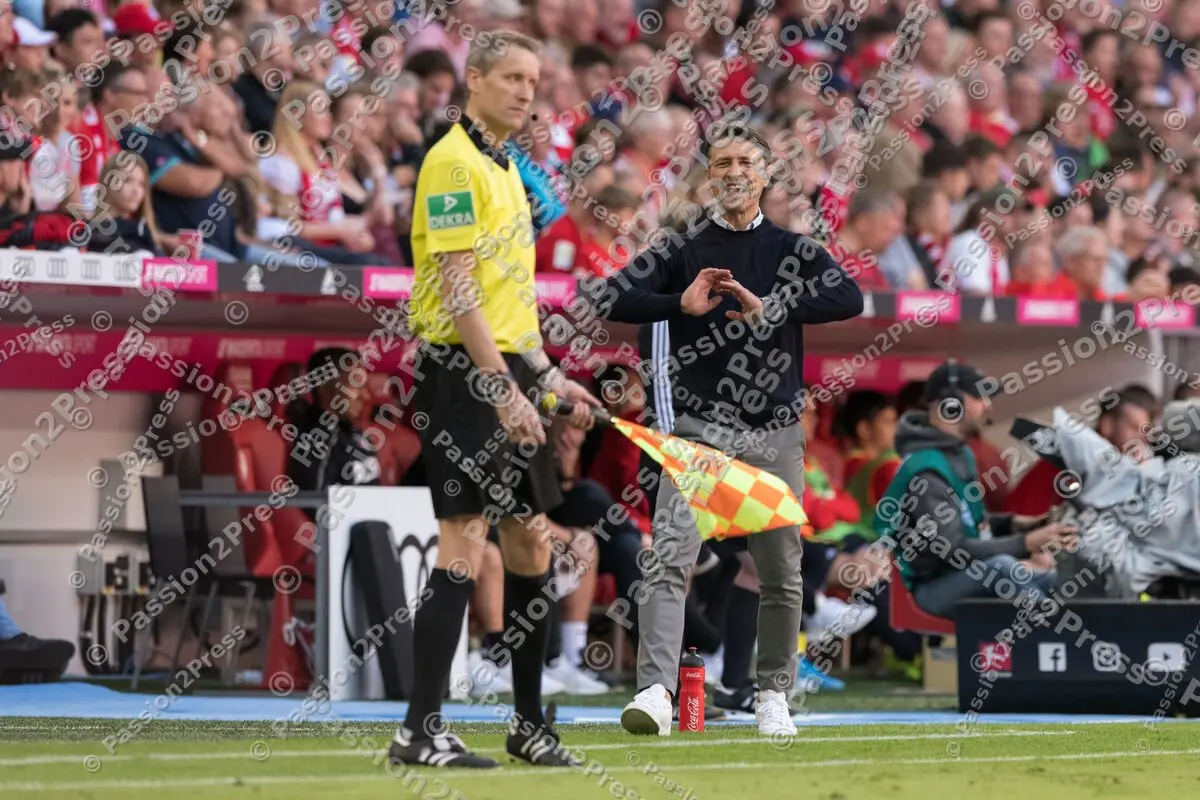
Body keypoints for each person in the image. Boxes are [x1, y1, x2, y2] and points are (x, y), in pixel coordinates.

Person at [598, 121, 864, 738]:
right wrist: (678, 305)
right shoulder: (681, 246)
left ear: (766, 173)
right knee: (669, 559)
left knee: (781, 571)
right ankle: (657, 694)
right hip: (696, 430)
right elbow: (610, 297)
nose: (735, 172)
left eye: (746, 160)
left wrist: (775, 306)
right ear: (709, 177)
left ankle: (771, 693)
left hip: (772, 431)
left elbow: (849, 298)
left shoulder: (792, 248)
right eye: (722, 163)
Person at [392, 30, 600, 769]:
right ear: (472, 80)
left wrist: (546, 375)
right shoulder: (452, 161)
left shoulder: (510, 167)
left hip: (508, 369)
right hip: (464, 375)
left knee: (530, 540)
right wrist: (504, 386)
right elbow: (457, 289)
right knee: (464, 540)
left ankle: (527, 723)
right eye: (509, 77)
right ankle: (419, 728)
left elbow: (512, 300)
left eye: (532, 80)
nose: (524, 90)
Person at [876, 360, 1078, 619]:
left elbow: (970, 522)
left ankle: (1074, 647)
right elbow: (953, 549)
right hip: (930, 587)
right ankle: (1052, 644)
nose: (988, 405)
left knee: (1054, 581)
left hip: (958, 576)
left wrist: (1019, 524)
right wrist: (1026, 543)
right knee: (1004, 568)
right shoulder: (926, 468)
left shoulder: (956, 454)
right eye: (980, 397)